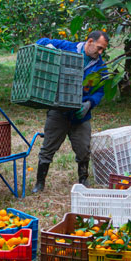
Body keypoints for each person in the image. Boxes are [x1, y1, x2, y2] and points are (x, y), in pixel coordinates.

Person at [31, 30, 110, 194]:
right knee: (48, 147)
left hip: (81, 114)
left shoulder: (100, 67)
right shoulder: (68, 48)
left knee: (83, 149)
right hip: (59, 111)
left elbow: (100, 92)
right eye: (99, 48)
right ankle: (40, 183)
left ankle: (83, 180)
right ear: (89, 42)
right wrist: (50, 49)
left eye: (103, 49)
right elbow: (42, 41)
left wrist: (89, 103)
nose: (100, 52)